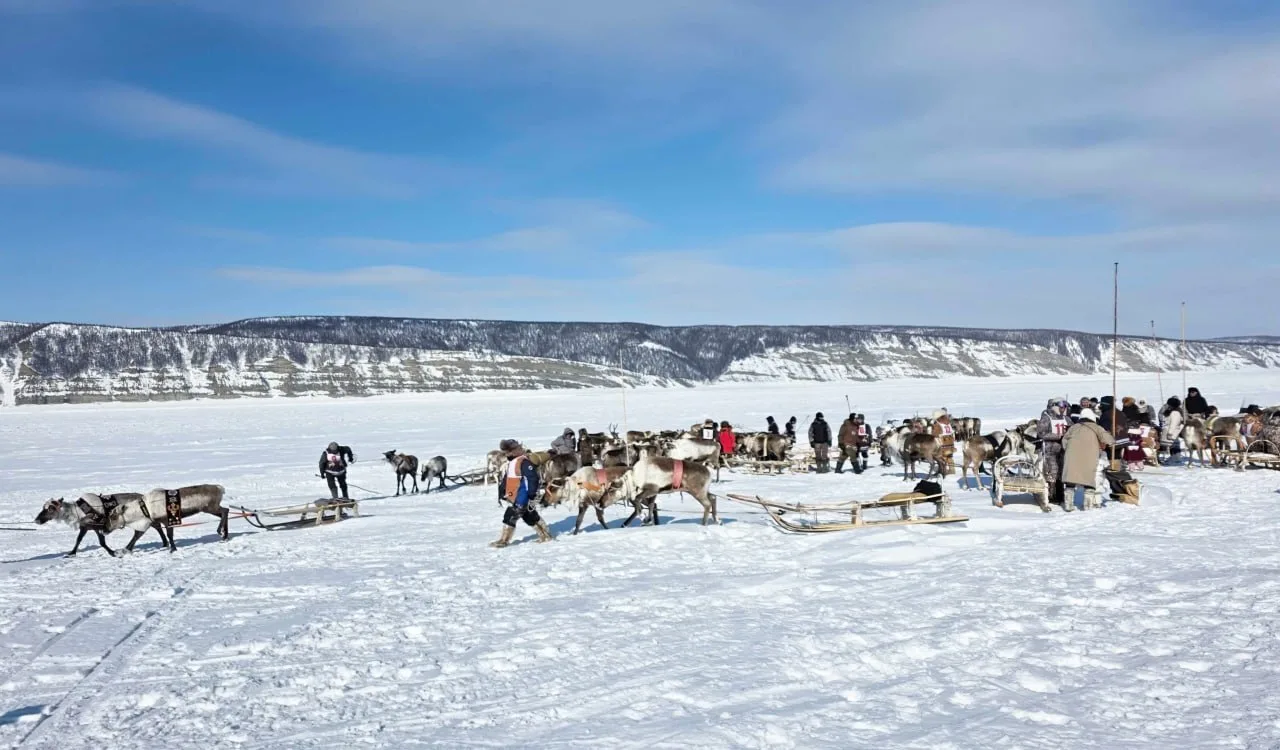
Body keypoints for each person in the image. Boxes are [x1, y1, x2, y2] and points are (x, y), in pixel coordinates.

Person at [490, 439, 553, 548]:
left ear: (514, 451)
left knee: (510, 516)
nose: (506, 454)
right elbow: (507, 479)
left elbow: (532, 478)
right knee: (529, 516)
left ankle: (504, 540)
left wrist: (531, 493)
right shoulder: (512, 463)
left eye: (508, 452)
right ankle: (545, 535)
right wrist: (502, 490)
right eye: (505, 452)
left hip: (522, 496)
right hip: (515, 496)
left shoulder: (523, 462)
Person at [1061, 409, 1116, 511]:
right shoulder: (1096, 427)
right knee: (1088, 480)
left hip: (1072, 455)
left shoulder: (1073, 427)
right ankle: (1088, 505)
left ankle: (1068, 505)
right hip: (1089, 456)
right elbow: (1109, 440)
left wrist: (1069, 450)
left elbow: (1064, 441)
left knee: (1070, 480)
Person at [1036, 399, 1071, 506]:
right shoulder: (1047, 417)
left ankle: (1060, 495)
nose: (1063, 408)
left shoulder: (1066, 418)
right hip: (1050, 450)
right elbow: (1041, 433)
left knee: (1062, 472)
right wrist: (1058, 436)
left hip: (1064, 449)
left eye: (1065, 406)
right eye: (1060, 406)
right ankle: (1051, 495)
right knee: (1052, 472)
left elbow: (1073, 429)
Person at [1159, 397, 1185, 461]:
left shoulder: (1175, 413)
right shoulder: (1172, 411)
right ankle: (1174, 457)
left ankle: (1176, 458)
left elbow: (1174, 423)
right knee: (1172, 444)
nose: (1167, 405)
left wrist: (1170, 432)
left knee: (1174, 443)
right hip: (1171, 429)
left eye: (1168, 404)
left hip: (1173, 430)